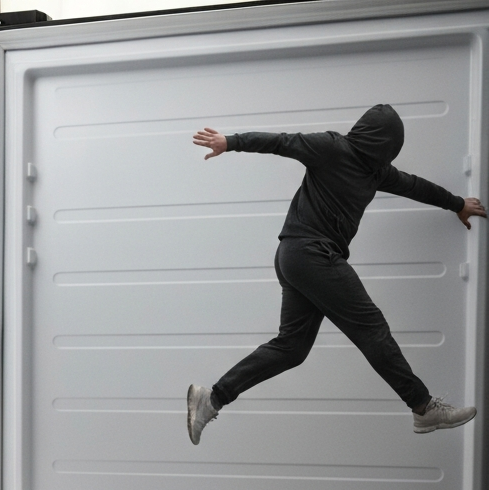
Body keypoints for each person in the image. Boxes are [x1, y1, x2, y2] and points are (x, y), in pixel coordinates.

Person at [186, 104, 485, 445]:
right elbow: (282, 142)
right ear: (379, 141)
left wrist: (457, 203)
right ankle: (423, 406)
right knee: (371, 328)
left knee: (292, 348)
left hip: (296, 257)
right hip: (312, 254)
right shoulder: (331, 148)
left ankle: (211, 399)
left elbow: (416, 186)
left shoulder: (377, 172)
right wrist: (231, 141)